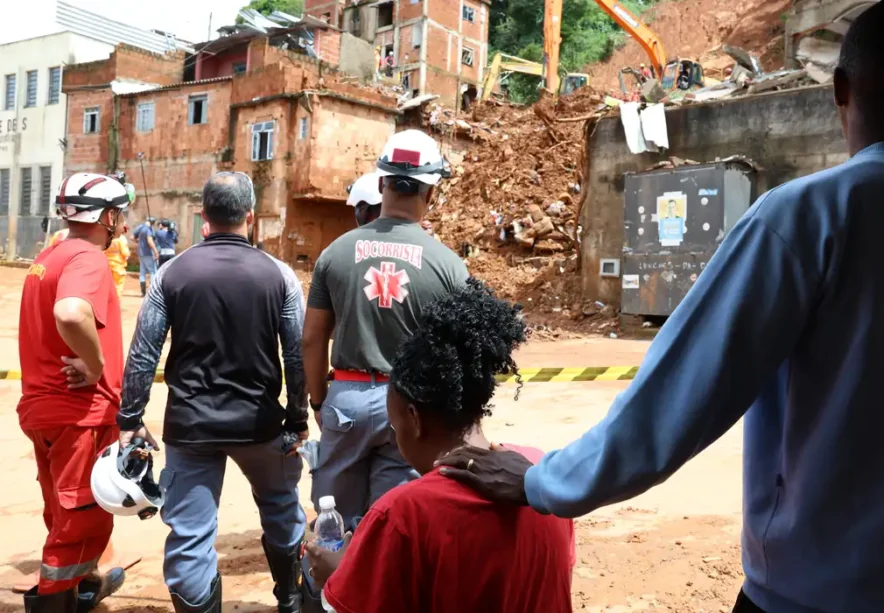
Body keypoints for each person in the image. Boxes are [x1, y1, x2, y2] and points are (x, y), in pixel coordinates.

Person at [438, 2, 884, 612]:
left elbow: (678, 396)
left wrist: (543, 481)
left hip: (819, 596)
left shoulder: (806, 217)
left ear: (840, 89)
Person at [306, 279, 575, 612]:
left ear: (415, 419)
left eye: (395, 425)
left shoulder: (403, 514)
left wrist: (336, 576)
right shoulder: (541, 478)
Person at [118, 172, 309, 613]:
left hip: (190, 428)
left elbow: (143, 352)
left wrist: (130, 418)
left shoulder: (172, 273)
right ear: (250, 217)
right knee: (282, 508)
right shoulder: (279, 275)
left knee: (190, 537)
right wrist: (297, 419)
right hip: (261, 425)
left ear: (203, 215)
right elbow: (297, 356)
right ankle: (290, 599)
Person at [303, 129, 469, 522]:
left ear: (381, 185)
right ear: (431, 193)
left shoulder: (334, 254)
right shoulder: (449, 266)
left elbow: (311, 339)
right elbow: (460, 352)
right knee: (395, 520)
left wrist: (319, 401)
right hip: (411, 407)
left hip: (346, 399)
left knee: (335, 519)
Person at [17, 173, 131, 612]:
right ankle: (54, 603)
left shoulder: (48, 257)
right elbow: (70, 312)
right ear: (106, 217)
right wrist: (96, 364)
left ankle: (79, 589)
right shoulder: (88, 258)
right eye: (117, 214)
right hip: (78, 416)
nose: (121, 224)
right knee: (80, 523)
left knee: (62, 512)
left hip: (44, 411)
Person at [132, 216, 158, 296]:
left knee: (142, 272)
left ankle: (143, 292)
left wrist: (139, 242)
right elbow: (150, 241)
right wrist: (155, 251)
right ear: (153, 223)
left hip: (141, 253)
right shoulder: (149, 229)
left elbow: (132, 237)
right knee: (152, 272)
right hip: (148, 253)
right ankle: (152, 292)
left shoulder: (140, 227)